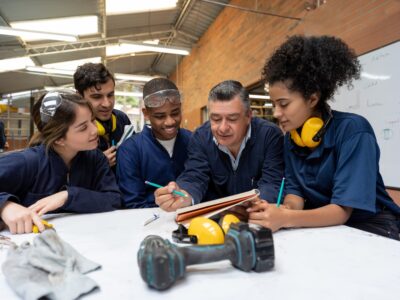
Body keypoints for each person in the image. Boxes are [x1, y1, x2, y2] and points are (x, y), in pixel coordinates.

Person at [248, 35, 400, 240]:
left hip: (374, 230)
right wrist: (283, 209)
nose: (276, 113)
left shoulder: (354, 131)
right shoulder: (290, 139)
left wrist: (286, 218)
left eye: (283, 104)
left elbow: (341, 211)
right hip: (327, 230)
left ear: (312, 98)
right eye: (274, 104)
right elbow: (295, 193)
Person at [0, 91, 121, 234]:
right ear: (59, 139)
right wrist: (5, 206)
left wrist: (68, 196)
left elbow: (114, 199)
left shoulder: (95, 158)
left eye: (92, 120)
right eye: (83, 127)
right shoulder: (27, 162)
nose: (95, 130)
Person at [154, 80, 284, 212]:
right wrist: (184, 195)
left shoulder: (269, 135)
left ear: (248, 116)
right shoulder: (201, 137)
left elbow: (273, 182)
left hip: (255, 217)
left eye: (232, 119)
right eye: (215, 119)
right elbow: (195, 176)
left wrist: (257, 205)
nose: (223, 128)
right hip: (214, 220)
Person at [117, 78, 191, 208]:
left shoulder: (193, 141)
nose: (170, 122)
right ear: (146, 113)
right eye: (160, 116)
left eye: (175, 113)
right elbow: (132, 203)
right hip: (152, 222)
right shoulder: (130, 150)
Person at [73, 63, 132, 168]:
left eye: (110, 95)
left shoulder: (121, 119)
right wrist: (96, 165)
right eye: (97, 97)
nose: (107, 104)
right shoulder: (70, 129)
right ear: (79, 96)